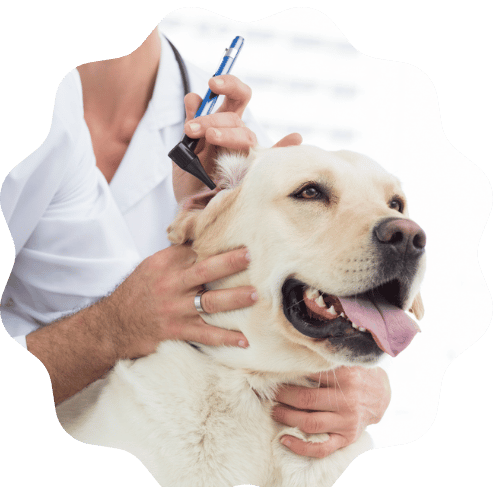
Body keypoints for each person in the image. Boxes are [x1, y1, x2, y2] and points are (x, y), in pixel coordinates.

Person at [0, 26, 390, 459]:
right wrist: (119, 324)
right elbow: (124, 320)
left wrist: (365, 384)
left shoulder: (233, 139)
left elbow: (302, 305)